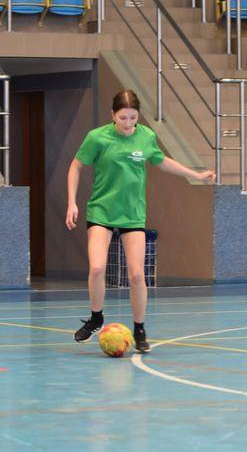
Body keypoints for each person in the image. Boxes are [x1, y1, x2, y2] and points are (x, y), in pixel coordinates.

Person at [65, 89, 215, 353]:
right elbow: (75, 166)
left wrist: (195, 175)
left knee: (136, 275)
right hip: (101, 212)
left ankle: (140, 328)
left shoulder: (146, 136)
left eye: (133, 118)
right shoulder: (97, 137)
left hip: (133, 214)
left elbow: (161, 161)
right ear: (113, 115)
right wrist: (72, 202)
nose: (128, 123)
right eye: (123, 118)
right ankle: (96, 318)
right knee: (97, 267)